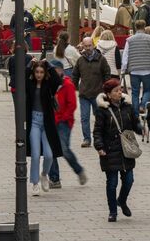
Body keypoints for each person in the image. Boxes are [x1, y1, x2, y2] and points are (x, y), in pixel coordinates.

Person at [93, 78, 140, 222]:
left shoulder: (127, 107)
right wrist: (100, 147)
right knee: (112, 183)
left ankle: (122, 200)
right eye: (116, 91)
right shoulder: (102, 110)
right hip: (110, 150)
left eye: (120, 90)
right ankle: (112, 211)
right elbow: (97, 131)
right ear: (108, 94)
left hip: (126, 150)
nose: (120, 93)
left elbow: (134, 122)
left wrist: (140, 128)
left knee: (129, 180)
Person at [46, 60, 87, 189]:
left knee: (64, 149)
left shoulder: (67, 84)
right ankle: (54, 179)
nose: (53, 72)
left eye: (55, 70)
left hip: (64, 122)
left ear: (61, 70)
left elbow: (72, 105)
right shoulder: (48, 84)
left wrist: (63, 118)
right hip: (51, 121)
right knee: (51, 150)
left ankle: (79, 170)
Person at [25, 59, 63, 196]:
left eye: (41, 72)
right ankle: (35, 183)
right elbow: (19, 79)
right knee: (35, 155)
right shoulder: (29, 84)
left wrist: (49, 65)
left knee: (49, 155)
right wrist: (29, 65)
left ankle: (44, 174)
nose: (39, 75)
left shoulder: (49, 84)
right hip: (34, 122)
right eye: (37, 72)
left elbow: (59, 81)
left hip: (46, 123)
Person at [73, 37, 111, 148]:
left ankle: (99, 138)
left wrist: (106, 88)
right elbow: (75, 75)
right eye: (86, 46)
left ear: (93, 45)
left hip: (98, 94)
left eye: (89, 45)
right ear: (83, 46)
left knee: (99, 117)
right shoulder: (80, 60)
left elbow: (107, 74)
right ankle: (86, 139)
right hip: (84, 93)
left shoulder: (101, 59)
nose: (88, 48)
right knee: (84, 118)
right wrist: (73, 87)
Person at [122, 20, 150, 115]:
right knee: (148, 90)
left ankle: (135, 114)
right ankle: (142, 105)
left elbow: (125, 56)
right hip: (147, 69)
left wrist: (123, 70)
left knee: (135, 93)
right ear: (144, 26)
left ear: (135, 27)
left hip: (134, 71)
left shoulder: (129, 40)